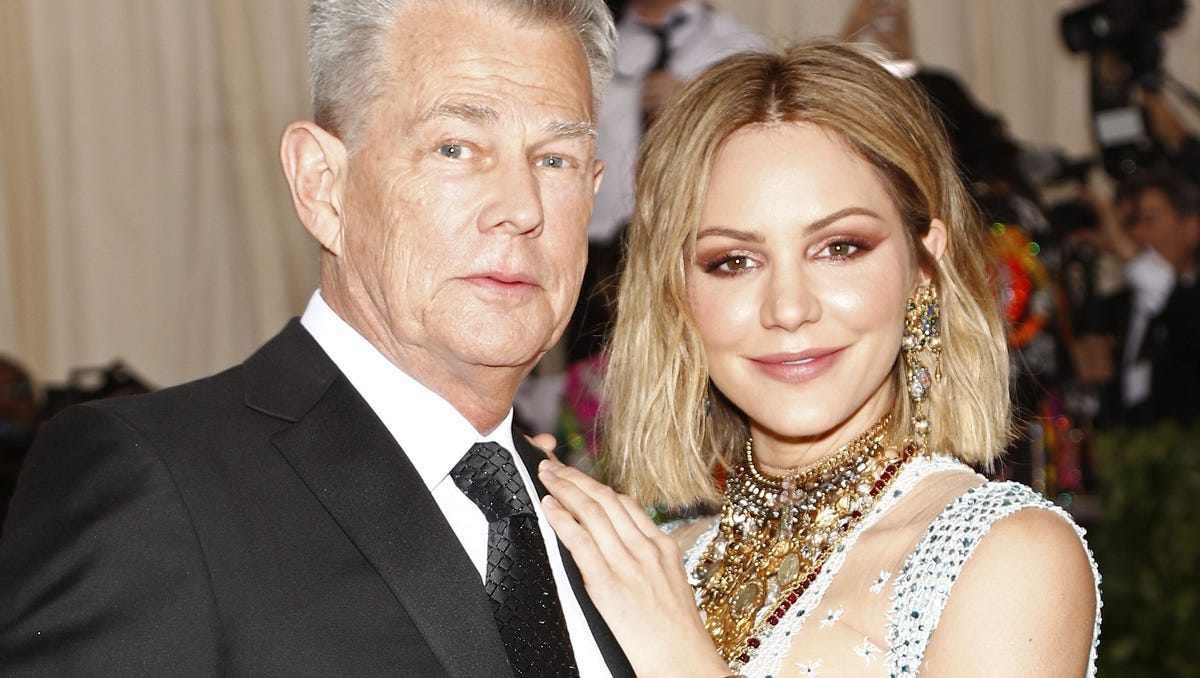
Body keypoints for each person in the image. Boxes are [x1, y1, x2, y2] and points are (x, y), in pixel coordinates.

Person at [0, 1, 635, 676]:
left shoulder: (607, 539)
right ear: (322, 184)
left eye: (556, 160)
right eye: (456, 148)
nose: (523, 208)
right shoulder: (158, 484)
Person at [535, 43, 1102, 677]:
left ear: (923, 266)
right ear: (677, 297)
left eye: (838, 247)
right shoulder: (656, 565)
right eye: (733, 261)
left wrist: (675, 653)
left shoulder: (1006, 557)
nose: (788, 306)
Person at [1073, 170, 1200, 428]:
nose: (1136, 234)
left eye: (1149, 220)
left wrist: (1131, 256)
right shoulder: (1111, 308)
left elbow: (1182, 314)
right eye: (1128, 224)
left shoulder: (1189, 303)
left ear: (1192, 228)